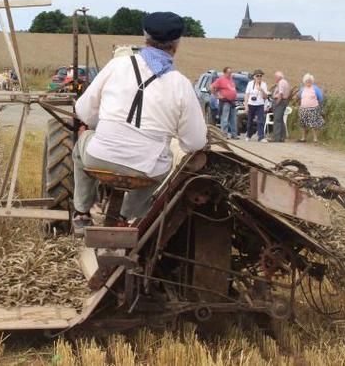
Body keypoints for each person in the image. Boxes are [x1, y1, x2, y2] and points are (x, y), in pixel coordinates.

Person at [71, 12, 207, 232]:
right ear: (177, 43)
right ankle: (126, 217)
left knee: (82, 145)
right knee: (164, 159)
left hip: (99, 159)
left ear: (145, 37)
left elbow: (84, 112)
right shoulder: (181, 84)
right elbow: (195, 143)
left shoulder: (118, 65)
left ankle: (82, 212)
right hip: (145, 170)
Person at [210, 67, 238, 139]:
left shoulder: (231, 80)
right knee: (224, 119)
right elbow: (212, 87)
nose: (230, 74)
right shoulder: (220, 80)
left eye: (231, 73)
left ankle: (234, 134)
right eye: (229, 73)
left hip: (232, 102)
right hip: (225, 102)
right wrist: (217, 96)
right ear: (225, 73)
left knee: (233, 119)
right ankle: (224, 134)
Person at [298, 73, 324, 143]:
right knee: (302, 124)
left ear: (312, 81)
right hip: (303, 109)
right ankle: (303, 138)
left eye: (310, 81)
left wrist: (318, 107)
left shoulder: (315, 88)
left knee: (313, 124)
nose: (308, 82)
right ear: (304, 81)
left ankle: (315, 139)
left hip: (313, 109)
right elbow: (299, 97)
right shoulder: (302, 89)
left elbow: (321, 98)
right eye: (307, 81)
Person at [244, 69, 268, 142]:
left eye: (261, 76)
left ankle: (261, 137)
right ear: (254, 76)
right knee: (250, 121)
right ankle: (248, 135)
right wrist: (246, 105)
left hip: (260, 105)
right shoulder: (250, 83)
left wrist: (262, 90)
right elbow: (247, 94)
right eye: (257, 76)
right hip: (251, 104)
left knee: (260, 120)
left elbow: (265, 97)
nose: (259, 77)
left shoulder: (264, 84)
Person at [271, 71, 290, 142]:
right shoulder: (284, 82)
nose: (274, 79)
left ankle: (276, 138)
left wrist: (276, 103)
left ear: (278, 77)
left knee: (277, 120)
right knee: (280, 119)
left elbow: (280, 94)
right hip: (283, 101)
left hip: (280, 102)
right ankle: (282, 137)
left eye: (275, 77)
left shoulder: (281, 82)